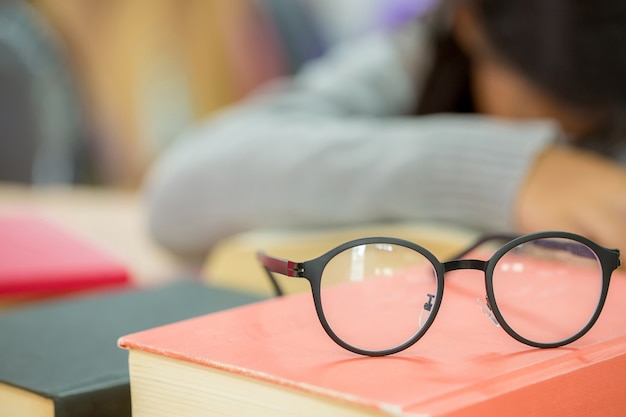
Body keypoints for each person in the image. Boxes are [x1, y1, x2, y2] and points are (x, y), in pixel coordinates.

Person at [143, 0, 626, 258]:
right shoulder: (415, 62)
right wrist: (509, 173)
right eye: (539, 101)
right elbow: (178, 195)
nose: (561, 131)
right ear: (468, 21)